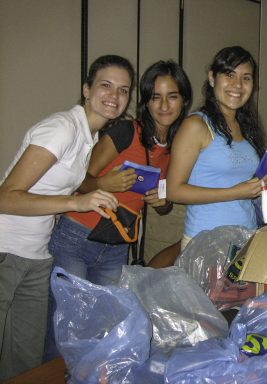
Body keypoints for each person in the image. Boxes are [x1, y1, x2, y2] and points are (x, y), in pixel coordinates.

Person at [0, 54, 132, 380]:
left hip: (36, 255)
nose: (114, 96)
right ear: (86, 90)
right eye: (105, 85)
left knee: (27, 361)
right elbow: (5, 198)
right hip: (5, 249)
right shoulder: (62, 128)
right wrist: (76, 203)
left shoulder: (90, 139)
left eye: (123, 90)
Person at [48, 60, 192, 286]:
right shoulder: (126, 132)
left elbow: (164, 206)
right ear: (146, 101)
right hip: (77, 236)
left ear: (183, 101)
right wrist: (104, 183)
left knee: (106, 319)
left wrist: (162, 201)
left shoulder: (177, 147)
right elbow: (77, 181)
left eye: (172, 96)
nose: (164, 105)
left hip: (117, 244)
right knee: (68, 317)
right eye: (155, 97)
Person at [166, 46, 267, 250]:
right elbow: (173, 191)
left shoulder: (246, 128)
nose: (237, 85)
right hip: (206, 243)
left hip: (245, 238)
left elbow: (244, 184)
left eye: (246, 78)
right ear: (212, 78)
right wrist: (234, 192)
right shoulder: (196, 125)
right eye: (229, 74)